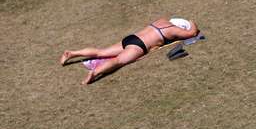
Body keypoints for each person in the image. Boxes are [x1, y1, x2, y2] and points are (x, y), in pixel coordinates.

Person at [60, 17, 200, 85]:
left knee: (100, 52)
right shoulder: (172, 30)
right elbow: (192, 33)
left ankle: (73, 53)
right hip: (139, 46)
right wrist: (192, 22)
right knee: (118, 61)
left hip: (132, 38)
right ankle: (94, 73)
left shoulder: (162, 20)